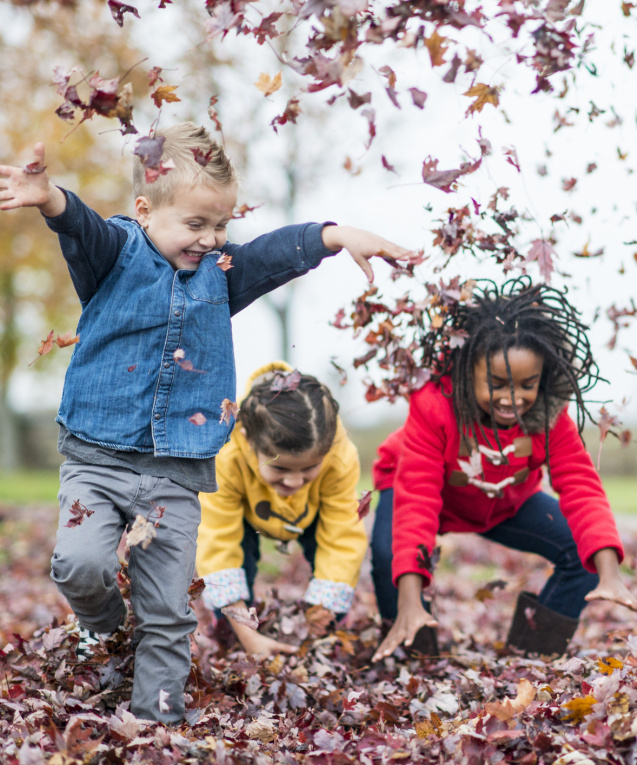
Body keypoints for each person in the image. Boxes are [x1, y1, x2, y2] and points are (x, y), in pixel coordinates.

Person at [0, 123, 411, 723]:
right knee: (79, 565)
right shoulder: (116, 253)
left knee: (167, 612)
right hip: (99, 457)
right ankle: (109, 633)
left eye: (220, 226)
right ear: (145, 210)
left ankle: (154, 725)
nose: (211, 239)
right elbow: (81, 225)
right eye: (196, 225)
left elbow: (273, 253)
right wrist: (52, 198)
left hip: (176, 473)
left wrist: (335, 234)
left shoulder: (221, 272)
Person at [371, 277, 637, 662]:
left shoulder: (549, 415)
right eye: (496, 384)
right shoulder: (435, 405)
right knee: (387, 554)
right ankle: (412, 650)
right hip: (424, 490)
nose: (513, 398)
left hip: (503, 502)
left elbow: (581, 485)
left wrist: (609, 571)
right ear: (467, 373)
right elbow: (417, 498)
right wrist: (409, 599)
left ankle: (532, 656)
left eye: (527, 385)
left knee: (586, 555)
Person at [196, 361, 367, 657]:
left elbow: (342, 537)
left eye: (310, 467)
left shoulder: (340, 456)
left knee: (332, 599)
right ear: (250, 440)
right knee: (234, 601)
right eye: (280, 468)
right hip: (249, 515)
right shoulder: (227, 456)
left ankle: (328, 626)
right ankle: (235, 637)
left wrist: (321, 612)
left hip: (314, 513)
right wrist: (249, 638)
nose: (294, 480)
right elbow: (217, 544)